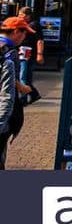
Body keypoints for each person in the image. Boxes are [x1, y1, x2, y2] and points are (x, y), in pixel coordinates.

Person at [0, 15, 35, 170]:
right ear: (15, 31)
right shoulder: (9, 53)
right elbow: (7, 92)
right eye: (24, 32)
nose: (24, 37)